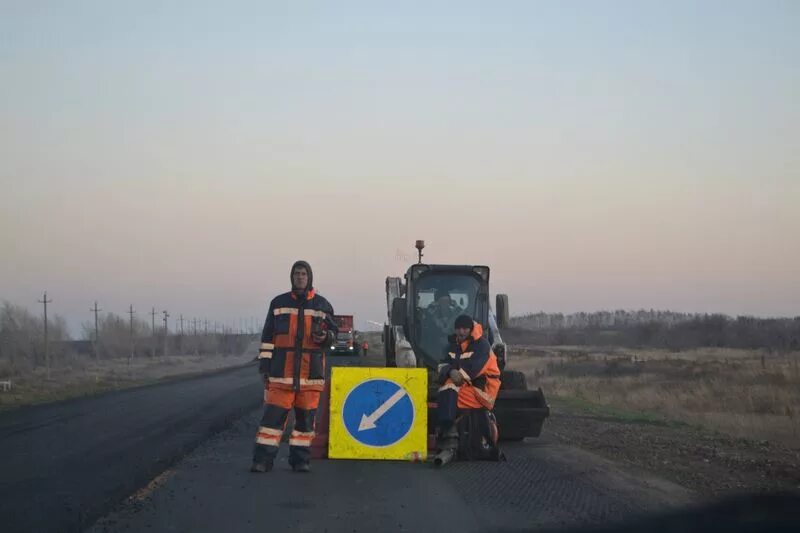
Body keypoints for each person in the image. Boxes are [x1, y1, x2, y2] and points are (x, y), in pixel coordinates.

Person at [251, 260, 337, 473]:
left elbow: (334, 337)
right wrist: (264, 366)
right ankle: (262, 461)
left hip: (310, 377)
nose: (300, 277)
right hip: (281, 375)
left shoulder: (322, 305)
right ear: (292, 277)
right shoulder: (278, 303)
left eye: (303, 274)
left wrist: (326, 336)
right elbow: (267, 338)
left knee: (305, 426)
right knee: (270, 424)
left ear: (309, 278)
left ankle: (300, 461)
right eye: (297, 273)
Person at [436, 314, 502, 462]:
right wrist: (449, 371)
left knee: (450, 394)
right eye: (458, 328)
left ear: (471, 329)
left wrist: (452, 372)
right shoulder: (455, 346)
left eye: (465, 328)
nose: (461, 332)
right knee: (446, 390)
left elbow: (470, 372)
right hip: (469, 385)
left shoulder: (481, 345)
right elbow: (443, 366)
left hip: (484, 390)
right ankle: (449, 430)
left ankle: (450, 435)